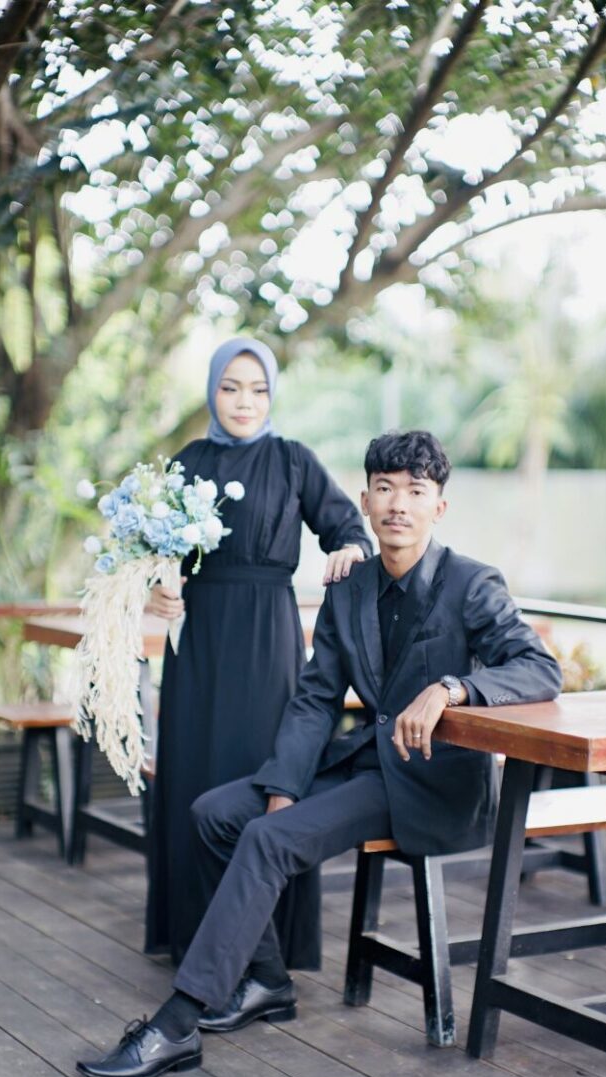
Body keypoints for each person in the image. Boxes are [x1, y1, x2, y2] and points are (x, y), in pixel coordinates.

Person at [77, 430, 562, 1077]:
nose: (399, 504)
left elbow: (540, 668)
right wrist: (284, 783)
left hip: (431, 779)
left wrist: (452, 689)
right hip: (365, 760)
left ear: (439, 507)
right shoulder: (350, 588)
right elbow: (314, 698)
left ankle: (177, 1023)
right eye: (385, 488)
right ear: (365, 500)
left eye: (415, 492)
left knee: (267, 840)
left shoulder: (472, 583)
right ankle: (268, 980)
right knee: (215, 814)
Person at [145, 336, 371, 969]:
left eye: (258, 389)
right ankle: (193, 938)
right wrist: (157, 588)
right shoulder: (187, 461)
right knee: (192, 770)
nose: (244, 401)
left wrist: (349, 549)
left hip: (268, 637)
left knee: (264, 770)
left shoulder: (293, 460)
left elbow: (347, 527)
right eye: (230, 388)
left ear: (272, 395)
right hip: (197, 642)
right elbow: (153, 554)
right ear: (212, 391)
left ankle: (267, 946)